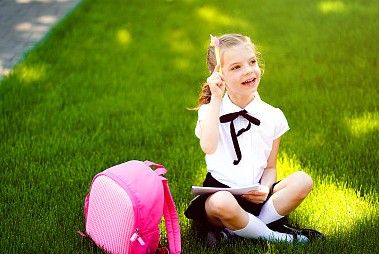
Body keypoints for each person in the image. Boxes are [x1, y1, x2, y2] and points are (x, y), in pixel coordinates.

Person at [185, 34, 324, 246]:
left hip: (256, 196)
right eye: (236, 67)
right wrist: (215, 98)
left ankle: (235, 232)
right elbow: (208, 146)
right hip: (220, 198)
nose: (249, 70)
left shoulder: (273, 115)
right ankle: (278, 237)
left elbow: (269, 168)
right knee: (223, 202)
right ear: (218, 76)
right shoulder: (209, 111)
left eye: (252, 62)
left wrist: (265, 189)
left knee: (303, 181)